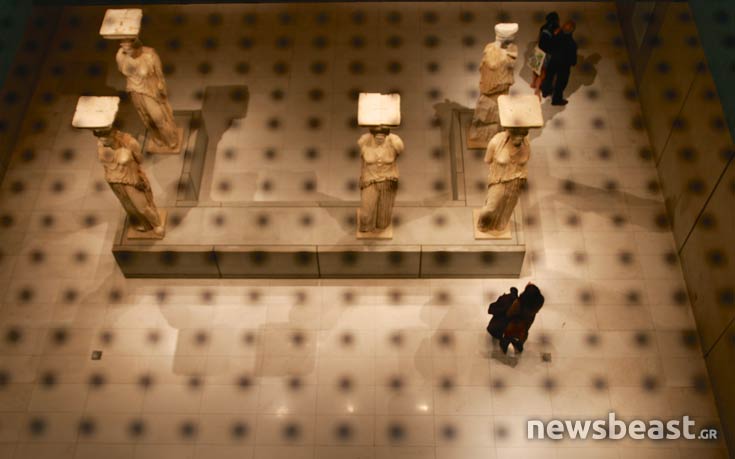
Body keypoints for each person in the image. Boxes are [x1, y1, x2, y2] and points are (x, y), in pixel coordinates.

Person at [116, 38, 182, 153]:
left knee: (158, 117)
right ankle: (158, 138)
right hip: (134, 91)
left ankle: (172, 139)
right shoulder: (120, 56)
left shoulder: (149, 55)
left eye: (129, 49)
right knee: (145, 117)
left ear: (136, 46)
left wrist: (161, 88)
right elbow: (122, 71)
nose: (127, 52)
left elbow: (160, 75)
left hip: (149, 91)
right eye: (124, 48)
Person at [358, 126, 404, 232]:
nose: (380, 139)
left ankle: (381, 225)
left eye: (382, 136)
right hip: (370, 180)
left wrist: (390, 133)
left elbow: (400, 147)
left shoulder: (394, 142)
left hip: (388, 181)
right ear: (372, 135)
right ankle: (366, 227)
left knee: (383, 223)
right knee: (365, 215)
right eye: (377, 137)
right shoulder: (364, 142)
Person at [499, 283, 545, 354]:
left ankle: (504, 346)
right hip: (527, 323)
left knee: (508, 335)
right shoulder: (540, 301)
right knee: (523, 334)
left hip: (514, 323)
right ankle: (519, 346)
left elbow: (509, 313)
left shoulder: (519, 303)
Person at [541, 21, 578, 106]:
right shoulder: (572, 44)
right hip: (564, 65)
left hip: (553, 60)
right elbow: (573, 61)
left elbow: (550, 46)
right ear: (572, 31)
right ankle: (556, 100)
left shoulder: (556, 35)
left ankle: (545, 91)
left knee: (549, 77)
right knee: (560, 83)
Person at [531, 12, 560, 95]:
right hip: (547, 53)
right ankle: (537, 90)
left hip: (539, 49)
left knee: (535, 68)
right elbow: (556, 43)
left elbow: (539, 38)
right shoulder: (557, 30)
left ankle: (533, 83)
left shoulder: (543, 27)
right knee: (542, 73)